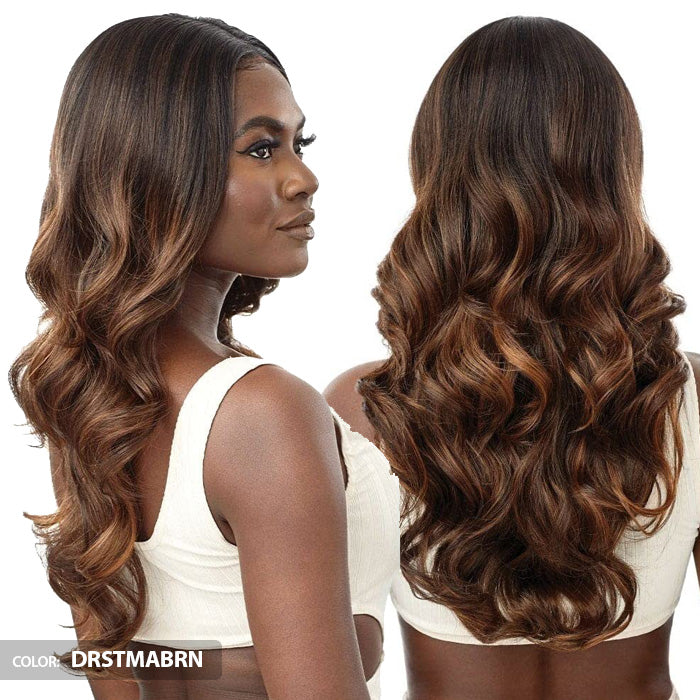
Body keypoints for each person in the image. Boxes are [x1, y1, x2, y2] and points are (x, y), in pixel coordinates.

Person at [10, 13, 399, 700]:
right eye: (261, 149)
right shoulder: (261, 411)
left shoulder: (92, 392)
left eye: (299, 143)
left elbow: (116, 669)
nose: (303, 178)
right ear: (161, 172)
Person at [324, 16, 700, 700]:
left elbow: (333, 658)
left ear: (435, 171)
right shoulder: (691, 396)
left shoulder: (363, 408)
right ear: (618, 168)